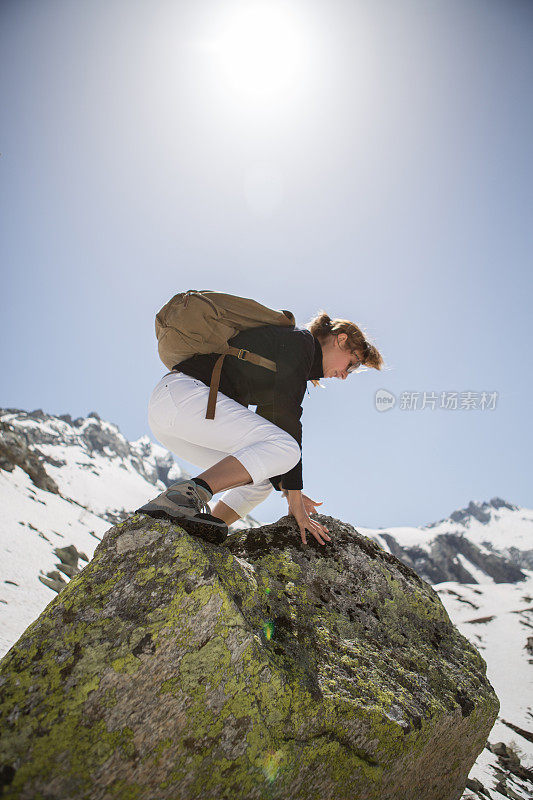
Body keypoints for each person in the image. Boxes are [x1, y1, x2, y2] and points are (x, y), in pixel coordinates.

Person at [136, 310, 384, 546]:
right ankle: (181, 499)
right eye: (352, 364)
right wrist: (295, 500)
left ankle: (198, 529)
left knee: (263, 479)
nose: (345, 375)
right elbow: (286, 421)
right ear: (341, 340)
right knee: (287, 449)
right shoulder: (301, 343)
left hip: (175, 414)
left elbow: (271, 421)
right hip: (187, 397)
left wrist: (287, 490)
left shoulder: (292, 354)